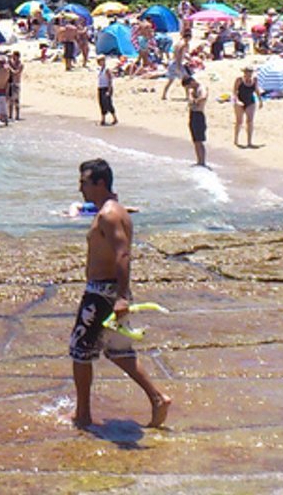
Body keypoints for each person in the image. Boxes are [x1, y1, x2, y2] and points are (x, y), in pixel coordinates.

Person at [69, 158, 170, 430]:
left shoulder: (109, 215)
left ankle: (83, 415)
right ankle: (157, 398)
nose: (81, 189)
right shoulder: (115, 210)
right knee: (117, 351)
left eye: (84, 183)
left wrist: (122, 297)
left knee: (80, 351)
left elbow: (122, 253)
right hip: (109, 292)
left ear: (100, 183)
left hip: (103, 293)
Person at [182, 75, 209, 168]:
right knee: (195, 140)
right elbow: (189, 98)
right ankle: (199, 161)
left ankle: (202, 161)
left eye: (190, 86)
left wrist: (195, 100)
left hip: (199, 114)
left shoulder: (202, 88)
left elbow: (204, 97)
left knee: (200, 140)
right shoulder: (191, 90)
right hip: (192, 114)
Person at [231, 65, 260, 147]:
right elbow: (235, 91)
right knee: (239, 121)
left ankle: (249, 141)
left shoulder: (254, 80)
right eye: (247, 72)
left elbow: (257, 90)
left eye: (250, 72)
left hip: (251, 101)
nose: (249, 74)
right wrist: (237, 101)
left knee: (250, 121)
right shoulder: (239, 80)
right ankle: (236, 139)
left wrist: (260, 100)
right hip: (239, 101)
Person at [96, 57, 118, 126]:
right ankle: (103, 119)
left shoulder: (106, 69)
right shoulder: (100, 70)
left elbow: (110, 80)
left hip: (106, 88)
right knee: (102, 104)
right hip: (100, 88)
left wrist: (109, 90)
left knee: (108, 103)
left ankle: (115, 118)